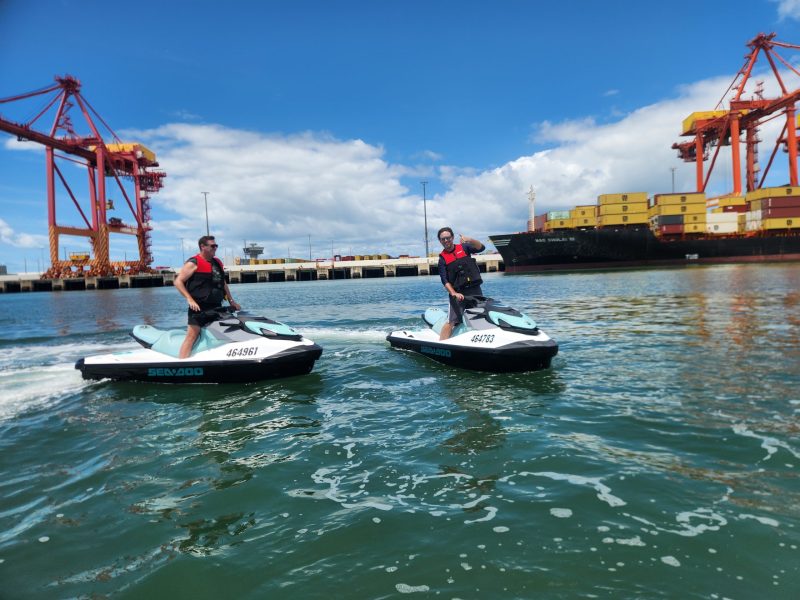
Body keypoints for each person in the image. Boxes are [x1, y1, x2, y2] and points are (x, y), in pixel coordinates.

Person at [174, 235, 240, 358]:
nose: (215, 248)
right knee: (192, 336)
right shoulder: (193, 263)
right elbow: (178, 282)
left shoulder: (217, 262)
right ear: (202, 247)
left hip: (216, 306)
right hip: (198, 308)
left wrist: (232, 301)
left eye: (216, 245)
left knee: (231, 330)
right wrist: (189, 299)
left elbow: (223, 283)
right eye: (212, 246)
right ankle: (182, 363)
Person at [437, 227, 485, 340]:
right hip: (458, 294)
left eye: (448, 238)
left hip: (474, 289)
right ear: (440, 241)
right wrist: (454, 293)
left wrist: (470, 239)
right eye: (443, 239)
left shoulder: (464, 247)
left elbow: (481, 247)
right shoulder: (442, 259)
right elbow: (445, 280)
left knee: (482, 315)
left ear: (452, 238)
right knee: (451, 322)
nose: (446, 241)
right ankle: (441, 344)